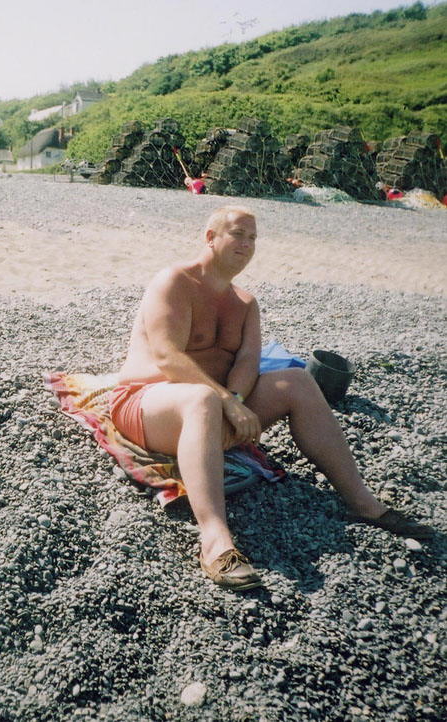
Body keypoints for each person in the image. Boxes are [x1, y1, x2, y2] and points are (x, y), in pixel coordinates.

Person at [110, 206, 433, 591]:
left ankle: (363, 502)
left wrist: (236, 399)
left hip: (211, 409)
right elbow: (167, 357)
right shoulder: (175, 281)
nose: (246, 244)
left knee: (297, 381)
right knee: (201, 399)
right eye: (237, 234)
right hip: (146, 403)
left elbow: (248, 362)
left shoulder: (245, 303)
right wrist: (228, 403)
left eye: (252, 238)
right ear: (210, 237)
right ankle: (215, 540)